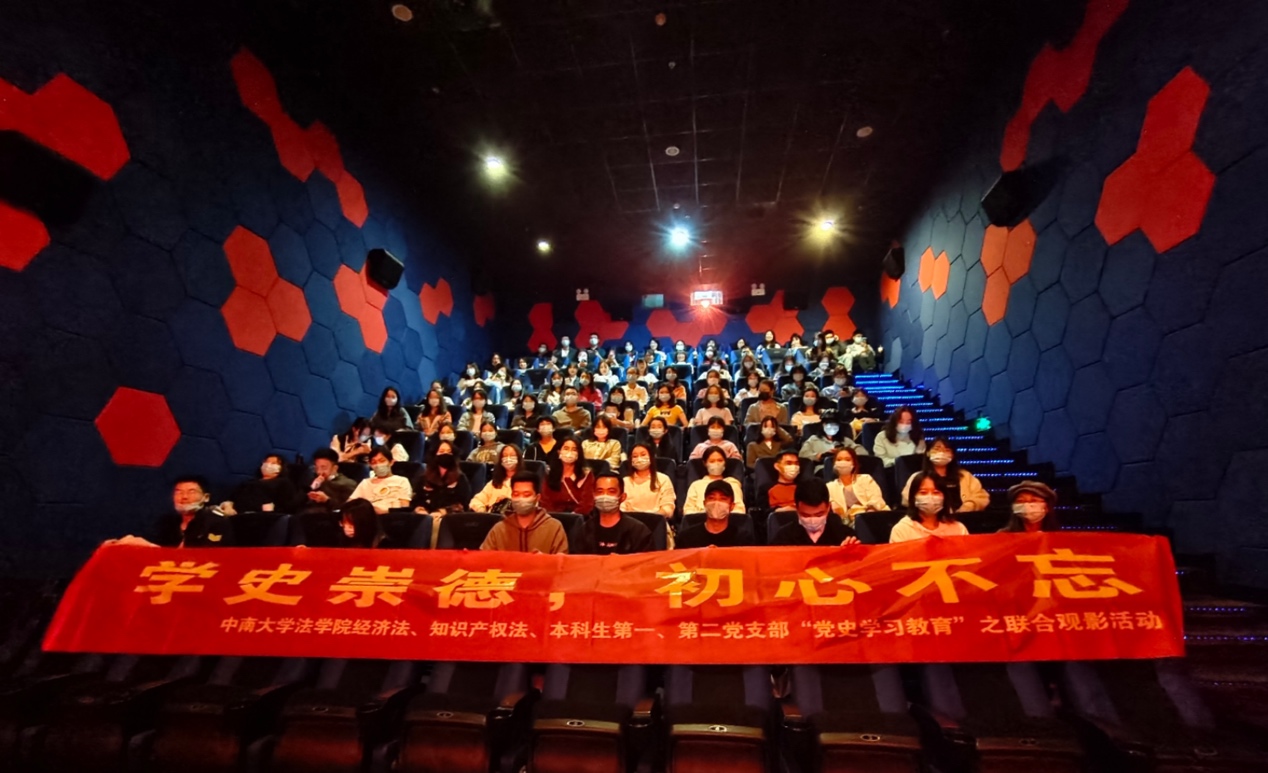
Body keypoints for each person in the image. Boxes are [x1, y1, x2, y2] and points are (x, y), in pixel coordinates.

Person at [114, 475, 232, 548]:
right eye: (178, 492)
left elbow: (207, 556)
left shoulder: (216, 521)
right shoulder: (167, 522)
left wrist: (150, 547)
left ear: (206, 497)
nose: (184, 497)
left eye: (191, 492)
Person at [481, 472, 569, 553]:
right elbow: (484, 558)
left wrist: (544, 560)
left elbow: (562, 561)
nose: (521, 499)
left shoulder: (554, 528)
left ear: (537, 498)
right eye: (516, 494)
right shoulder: (499, 529)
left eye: (526, 495)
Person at [570, 473, 654, 555]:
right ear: (594, 495)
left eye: (611, 491)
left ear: (622, 497)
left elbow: (647, 561)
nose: (605, 496)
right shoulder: (585, 530)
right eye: (600, 491)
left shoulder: (638, 531)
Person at [900, 438, 990, 513]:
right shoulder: (917, 477)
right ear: (928, 453)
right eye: (937, 449)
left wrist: (969, 506)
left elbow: (982, 496)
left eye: (947, 450)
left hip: (962, 518)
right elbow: (906, 499)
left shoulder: (965, 476)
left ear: (952, 455)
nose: (942, 452)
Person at [771, 479, 861, 546]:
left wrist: (849, 554)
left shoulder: (845, 535)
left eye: (819, 515)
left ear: (828, 507)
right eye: (805, 515)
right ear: (797, 509)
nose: (812, 520)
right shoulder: (783, 538)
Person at [889, 472, 969, 543]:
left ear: (945, 497)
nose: (930, 497)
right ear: (913, 497)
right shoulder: (901, 530)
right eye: (923, 492)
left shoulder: (959, 529)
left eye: (936, 492)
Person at [675, 480, 754, 548]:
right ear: (704, 503)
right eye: (711, 498)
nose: (716, 503)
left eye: (723, 499)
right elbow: (677, 560)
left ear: (732, 506)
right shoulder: (686, 537)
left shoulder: (744, 539)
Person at [826, 447, 887, 525]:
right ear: (834, 464)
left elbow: (876, 499)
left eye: (847, 459)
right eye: (839, 459)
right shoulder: (829, 487)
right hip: (847, 523)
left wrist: (868, 515)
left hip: (872, 517)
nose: (843, 462)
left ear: (854, 463)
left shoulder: (866, 479)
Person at [223, 454, 300, 514]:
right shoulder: (249, 482)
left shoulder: (283, 483)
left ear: (280, 467)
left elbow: (288, 505)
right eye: (266, 462)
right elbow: (233, 497)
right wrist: (228, 505)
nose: (268, 465)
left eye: (273, 463)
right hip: (235, 514)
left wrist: (272, 510)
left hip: (261, 517)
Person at [347, 447, 413, 514]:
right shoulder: (365, 483)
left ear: (391, 462)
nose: (378, 465)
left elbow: (405, 509)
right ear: (370, 465)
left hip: (392, 517)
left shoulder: (402, 481)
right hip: (368, 517)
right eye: (374, 462)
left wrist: (385, 511)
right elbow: (349, 505)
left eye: (382, 461)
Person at [539, 437, 596, 513]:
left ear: (578, 454)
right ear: (559, 452)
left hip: (579, 517)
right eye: (566, 448)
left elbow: (587, 503)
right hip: (553, 516)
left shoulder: (586, 474)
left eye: (574, 450)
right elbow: (545, 501)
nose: (569, 452)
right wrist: (554, 517)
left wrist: (573, 516)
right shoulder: (549, 473)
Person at [683, 447, 745, 514]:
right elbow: (688, 510)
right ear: (705, 463)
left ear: (725, 462)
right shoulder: (696, 485)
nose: (716, 464)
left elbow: (740, 509)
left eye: (720, 460)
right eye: (712, 461)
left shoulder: (733, 484)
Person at [621, 443, 676, 518]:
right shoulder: (625, 481)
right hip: (630, 521)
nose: (639, 459)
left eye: (643, 455)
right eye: (635, 456)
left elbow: (668, 509)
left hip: (656, 521)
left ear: (651, 457)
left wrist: (651, 518)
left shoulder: (663, 479)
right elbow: (621, 508)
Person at [798, 411, 868, 469]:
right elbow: (802, 455)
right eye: (828, 423)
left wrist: (845, 453)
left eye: (834, 424)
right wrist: (820, 455)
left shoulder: (845, 440)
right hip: (823, 469)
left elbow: (863, 453)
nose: (831, 426)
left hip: (844, 468)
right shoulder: (813, 439)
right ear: (822, 425)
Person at [411, 448, 471, 516]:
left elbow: (463, 504)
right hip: (425, 515)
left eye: (449, 452)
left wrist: (442, 512)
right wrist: (420, 509)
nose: (445, 454)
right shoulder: (424, 478)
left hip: (449, 516)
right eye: (441, 451)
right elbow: (416, 499)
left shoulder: (461, 478)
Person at [470, 444, 522, 513]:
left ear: (518, 458)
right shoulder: (494, 483)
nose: (508, 458)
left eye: (512, 455)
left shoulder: (525, 482)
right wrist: (484, 512)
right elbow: (476, 501)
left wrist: (508, 502)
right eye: (505, 455)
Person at [302, 448, 357, 513]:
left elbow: (347, 508)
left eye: (323, 468)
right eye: (316, 468)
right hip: (307, 514)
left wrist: (327, 500)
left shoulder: (348, 484)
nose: (319, 472)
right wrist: (311, 488)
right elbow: (296, 504)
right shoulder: (312, 480)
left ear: (335, 468)